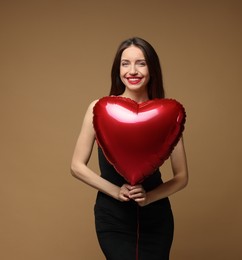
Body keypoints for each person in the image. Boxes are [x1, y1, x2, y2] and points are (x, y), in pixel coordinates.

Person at [70, 37, 188, 260]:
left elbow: (181, 177)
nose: (132, 71)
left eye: (141, 63)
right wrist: (116, 192)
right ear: (118, 69)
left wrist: (149, 197)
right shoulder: (100, 108)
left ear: (152, 68)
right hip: (113, 216)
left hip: (156, 216)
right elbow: (76, 166)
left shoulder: (168, 113)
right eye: (125, 63)